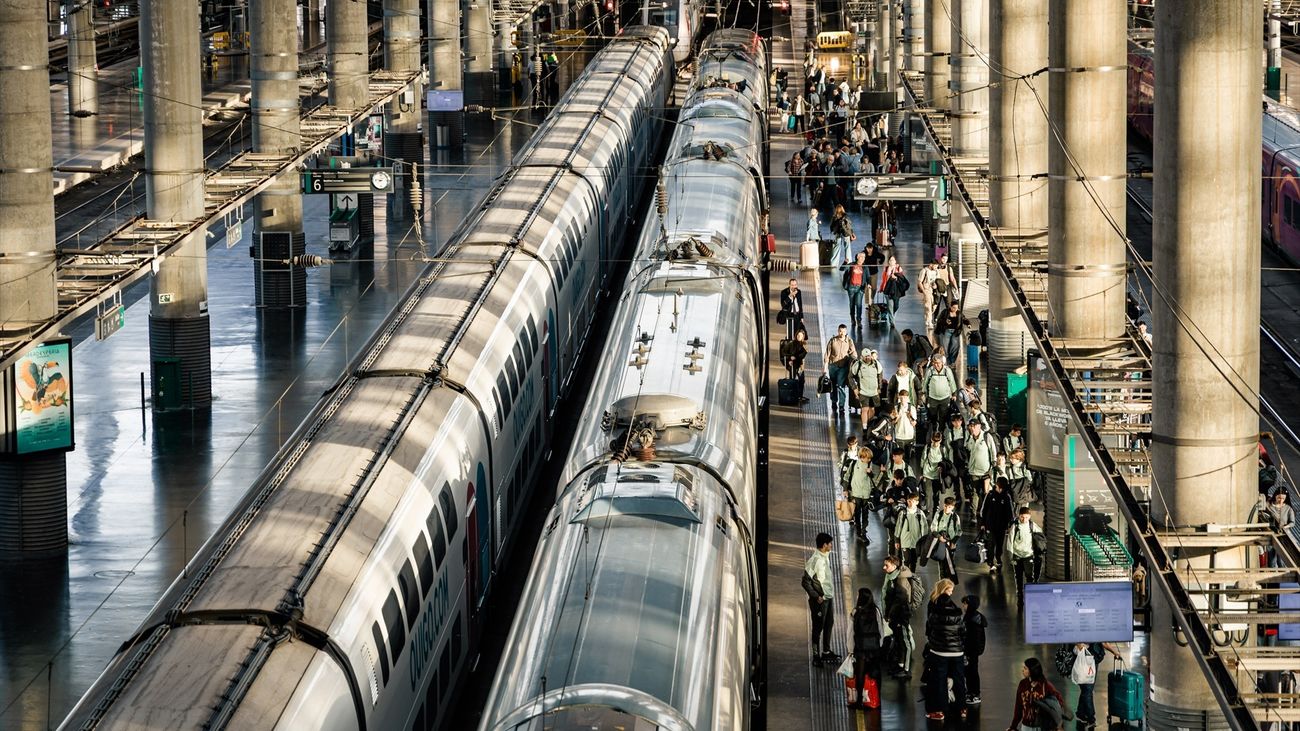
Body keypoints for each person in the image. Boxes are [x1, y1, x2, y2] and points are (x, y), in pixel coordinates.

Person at [923, 579, 966, 721]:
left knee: (939, 680)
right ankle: (962, 708)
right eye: (949, 590)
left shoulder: (934, 609)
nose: (951, 593)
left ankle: (939, 710)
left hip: (939, 651)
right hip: (957, 651)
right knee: (959, 679)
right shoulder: (957, 612)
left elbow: (930, 629)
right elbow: (962, 631)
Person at [803, 532, 840, 663]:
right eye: (830, 543)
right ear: (824, 545)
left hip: (828, 598)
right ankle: (815, 656)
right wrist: (816, 596)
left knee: (829, 623)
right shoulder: (815, 560)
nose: (831, 545)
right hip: (820, 601)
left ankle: (826, 651)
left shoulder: (825, 555)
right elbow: (805, 581)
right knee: (818, 627)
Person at [1071, 642, 1124, 728]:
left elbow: (1103, 642)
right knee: (1087, 690)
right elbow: (1104, 642)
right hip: (1088, 659)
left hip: (1087, 658)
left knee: (1086, 689)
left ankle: (1080, 713)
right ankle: (1091, 718)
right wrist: (1115, 652)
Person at [881, 555, 917, 678]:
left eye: (887, 565)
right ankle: (901, 665)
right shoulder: (891, 577)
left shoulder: (900, 580)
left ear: (895, 566)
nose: (884, 567)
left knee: (905, 642)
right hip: (894, 616)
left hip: (901, 616)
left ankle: (906, 670)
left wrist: (890, 614)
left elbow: (899, 600)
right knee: (900, 641)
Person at [1008, 657, 1067, 731]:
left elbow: (1058, 702)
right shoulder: (1022, 684)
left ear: (1032, 670)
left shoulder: (1045, 685)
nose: (1022, 670)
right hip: (1026, 727)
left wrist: (1057, 725)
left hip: (1041, 727)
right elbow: (1018, 707)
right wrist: (1013, 727)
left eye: (1025, 668)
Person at [851, 587, 884, 707]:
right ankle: (876, 698)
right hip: (874, 646)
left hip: (861, 647)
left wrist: (850, 649)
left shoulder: (856, 612)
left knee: (860, 673)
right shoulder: (876, 611)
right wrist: (879, 645)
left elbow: (851, 632)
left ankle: (860, 700)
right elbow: (881, 629)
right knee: (875, 672)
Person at [1008, 507, 1044, 601]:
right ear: (1019, 516)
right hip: (1017, 555)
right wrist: (1011, 556)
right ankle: (1020, 594)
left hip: (1028, 554)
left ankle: (1029, 594)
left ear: (1029, 517)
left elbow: (1040, 534)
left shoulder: (1032, 525)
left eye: (1026, 517)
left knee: (1029, 575)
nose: (1024, 519)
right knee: (1018, 576)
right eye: (1022, 517)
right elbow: (1010, 542)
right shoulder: (1015, 526)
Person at [980, 478, 1015, 573]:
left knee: (999, 544)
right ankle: (991, 562)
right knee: (990, 544)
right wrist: (983, 523)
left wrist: (1009, 524)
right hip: (990, 525)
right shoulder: (990, 495)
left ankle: (998, 558)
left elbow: (1010, 512)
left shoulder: (1007, 497)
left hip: (1001, 526)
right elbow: (984, 510)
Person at [963, 419, 998, 512]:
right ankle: (974, 514)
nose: (972, 428)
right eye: (971, 426)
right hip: (973, 471)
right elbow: (967, 450)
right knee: (974, 493)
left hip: (985, 471)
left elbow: (993, 450)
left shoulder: (987, 436)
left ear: (979, 426)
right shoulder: (969, 438)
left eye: (974, 426)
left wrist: (994, 463)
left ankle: (985, 512)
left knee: (986, 492)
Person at [824, 324, 857, 417]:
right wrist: (825, 369)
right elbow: (827, 354)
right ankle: (834, 401)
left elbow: (854, 353)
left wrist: (854, 360)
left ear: (846, 332)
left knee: (841, 386)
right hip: (833, 367)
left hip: (843, 367)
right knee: (833, 385)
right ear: (838, 331)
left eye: (843, 331)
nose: (841, 333)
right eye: (840, 331)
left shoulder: (849, 341)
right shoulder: (833, 340)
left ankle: (841, 405)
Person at [849, 349, 884, 432]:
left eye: (868, 356)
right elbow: (850, 377)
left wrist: (879, 387)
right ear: (862, 357)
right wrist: (855, 389)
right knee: (865, 409)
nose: (867, 358)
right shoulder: (858, 365)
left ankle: (870, 425)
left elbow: (880, 375)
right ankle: (864, 428)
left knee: (872, 409)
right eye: (865, 356)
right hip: (863, 391)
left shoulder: (876, 364)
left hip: (874, 392)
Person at [961, 595, 987, 706]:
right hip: (972, 651)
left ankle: (975, 694)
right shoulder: (973, 617)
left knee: (972, 672)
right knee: (970, 672)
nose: (963, 606)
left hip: (971, 652)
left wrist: (967, 652)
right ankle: (972, 692)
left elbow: (973, 639)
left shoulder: (972, 620)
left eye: (965, 603)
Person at [929, 497, 962, 581]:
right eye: (946, 506)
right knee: (941, 564)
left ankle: (949, 582)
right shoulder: (938, 514)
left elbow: (959, 531)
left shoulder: (955, 517)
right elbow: (933, 527)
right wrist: (939, 536)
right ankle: (942, 582)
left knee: (951, 564)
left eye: (949, 507)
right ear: (943, 505)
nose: (947, 508)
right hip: (941, 543)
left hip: (951, 544)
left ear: (953, 507)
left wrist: (953, 542)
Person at [846, 446, 875, 542]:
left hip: (866, 493)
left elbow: (873, 477)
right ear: (862, 457)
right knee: (857, 513)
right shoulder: (854, 463)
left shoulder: (870, 464)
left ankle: (863, 532)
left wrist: (870, 473)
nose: (869, 459)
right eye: (868, 458)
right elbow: (847, 475)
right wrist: (846, 489)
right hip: (856, 493)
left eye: (870, 458)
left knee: (865, 514)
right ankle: (858, 532)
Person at [1260, 490, 1295, 567]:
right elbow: (1262, 512)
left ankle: (1282, 575)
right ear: (1275, 496)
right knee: (1272, 559)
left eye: (1283, 498)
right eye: (1279, 498)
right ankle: (1273, 573)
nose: (1281, 500)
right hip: (1271, 535)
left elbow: (1292, 522)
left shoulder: (1288, 508)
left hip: (1282, 536)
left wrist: (1285, 527)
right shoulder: (1268, 506)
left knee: (1281, 560)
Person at [893, 492, 927, 571]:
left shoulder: (920, 514)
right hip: (905, 541)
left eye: (913, 501)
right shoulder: (903, 513)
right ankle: (907, 577)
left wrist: (923, 542)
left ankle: (912, 576)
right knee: (906, 560)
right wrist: (897, 540)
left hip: (916, 542)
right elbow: (898, 527)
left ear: (917, 502)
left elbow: (924, 528)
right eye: (909, 501)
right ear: (906, 501)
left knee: (914, 561)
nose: (911, 503)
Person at [923, 353, 959, 422]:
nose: (936, 365)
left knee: (944, 416)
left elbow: (952, 382)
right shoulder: (930, 371)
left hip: (945, 398)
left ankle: (941, 430)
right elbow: (925, 383)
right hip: (932, 398)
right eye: (934, 363)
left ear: (942, 363)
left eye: (938, 363)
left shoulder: (947, 371)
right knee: (932, 415)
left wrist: (954, 394)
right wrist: (923, 394)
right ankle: (934, 428)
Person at [920, 431, 950, 506]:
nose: (936, 443)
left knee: (936, 494)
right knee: (926, 493)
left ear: (940, 440)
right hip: (927, 473)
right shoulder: (928, 447)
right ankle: (926, 509)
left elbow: (946, 460)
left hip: (937, 474)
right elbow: (923, 459)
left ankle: (936, 508)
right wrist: (921, 473)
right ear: (931, 439)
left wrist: (943, 468)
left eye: (938, 441)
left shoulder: (943, 448)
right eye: (934, 440)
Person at [842, 252, 869, 328]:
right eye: (861, 257)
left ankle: (859, 320)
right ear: (857, 257)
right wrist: (845, 262)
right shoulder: (852, 265)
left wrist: (869, 284)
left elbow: (868, 277)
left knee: (859, 304)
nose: (863, 258)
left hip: (860, 288)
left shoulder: (865, 267)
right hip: (851, 287)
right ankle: (852, 319)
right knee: (852, 304)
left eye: (864, 257)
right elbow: (842, 269)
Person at [934, 301, 965, 365]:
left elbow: (963, 319)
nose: (955, 309)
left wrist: (968, 324)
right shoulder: (945, 312)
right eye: (953, 308)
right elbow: (939, 320)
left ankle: (952, 361)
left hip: (955, 332)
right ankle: (946, 362)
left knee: (955, 346)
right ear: (950, 307)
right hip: (946, 331)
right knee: (945, 347)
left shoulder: (959, 313)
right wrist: (945, 321)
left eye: (956, 308)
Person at [784, 328, 810, 404]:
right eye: (798, 335)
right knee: (792, 381)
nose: (799, 337)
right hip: (792, 366)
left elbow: (803, 354)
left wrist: (795, 357)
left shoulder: (804, 345)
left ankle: (799, 396)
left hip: (800, 366)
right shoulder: (791, 344)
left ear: (803, 337)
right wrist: (789, 358)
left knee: (801, 381)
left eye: (801, 336)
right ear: (796, 335)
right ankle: (793, 396)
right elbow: (784, 352)